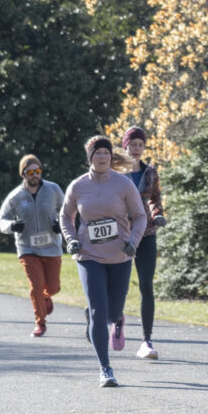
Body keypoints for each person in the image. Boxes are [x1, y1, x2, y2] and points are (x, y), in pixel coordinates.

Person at [60, 136, 146, 387]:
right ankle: (105, 368)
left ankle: (108, 318)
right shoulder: (77, 186)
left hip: (120, 254)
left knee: (114, 313)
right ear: (90, 157)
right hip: (89, 255)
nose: (102, 157)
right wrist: (72, 239)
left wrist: (133, 241)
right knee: (99, 310)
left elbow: (140, 216)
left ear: (111, 156)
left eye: (106, 153)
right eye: (97, 153)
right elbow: (66, 216)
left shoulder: (123, 184)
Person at [0, 155, 66, 337]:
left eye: (38, 171)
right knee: (35, 286)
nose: (35, 175)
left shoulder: (53, 189)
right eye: (30, 172)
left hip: (51, 246)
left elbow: (66, 210)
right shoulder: (15, 196)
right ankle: (40, 323)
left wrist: (61, 224)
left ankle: (46, 297)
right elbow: (2, 219)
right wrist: (12, 226)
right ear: (23, 174)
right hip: (27, 248)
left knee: (53, 287)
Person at [122, 126, 167, 360]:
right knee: (115, 285)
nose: (137, 149)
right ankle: (113, 319)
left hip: (147, 234)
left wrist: (157, 213)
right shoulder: (115, 173)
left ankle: (146, 340)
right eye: (133, 144)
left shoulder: (150, 173)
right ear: (125, 146)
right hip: (121, 235)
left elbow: (155, 199)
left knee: (146, 286)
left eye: (140, 145)